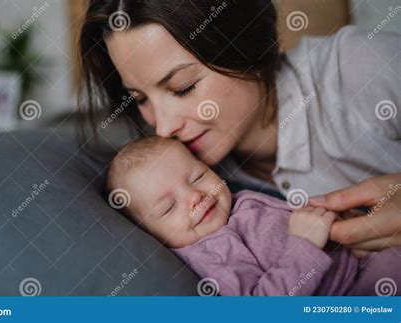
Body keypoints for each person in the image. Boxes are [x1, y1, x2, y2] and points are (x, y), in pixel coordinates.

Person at [78, 0, 401, 255]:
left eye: (184, 87)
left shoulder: (362, 65)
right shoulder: (188, 187)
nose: (163, 127)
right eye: (139, 98)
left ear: (244, 43)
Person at [106, 136, 400, 295]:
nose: (195, 196)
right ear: (151, 235)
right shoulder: (213, 253)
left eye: (197, 177)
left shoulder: (234, 202)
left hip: (359, 262)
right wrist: (304, 246)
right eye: (168, 207)